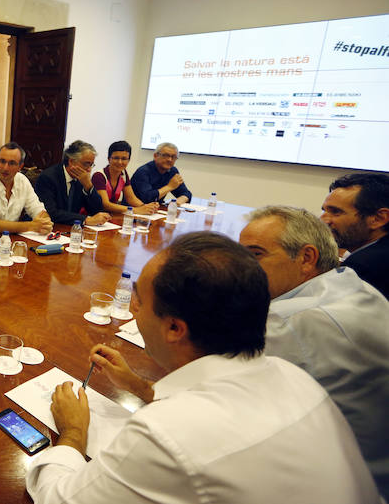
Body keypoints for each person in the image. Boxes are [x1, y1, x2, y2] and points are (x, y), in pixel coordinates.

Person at [27, 231, 379, 504]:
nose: (134, 310)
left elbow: (61, 498)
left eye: (141, 301)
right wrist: (138, 386)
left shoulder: (165, 435)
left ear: (174, 328)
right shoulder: (297, 378)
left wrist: (73, 431)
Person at [239, 206, 389, 497]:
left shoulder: (287, 322)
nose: (240, 266)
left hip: (346, 486)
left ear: (307, 258)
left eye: (254, 255)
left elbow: (226, 404)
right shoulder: (351, 282)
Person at [321, 173, 389, 298]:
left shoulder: (362, 267)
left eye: (335, 212)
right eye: (324, 210)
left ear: (378, 218)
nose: (323, 220)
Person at [0, 142, 52, 235]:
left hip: (11, 239)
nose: (5, 168)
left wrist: (45, 222)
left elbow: (37, 209)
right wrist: (31, 226)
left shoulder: (22, 181)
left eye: (12, 163)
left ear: (20, 166)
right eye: (2, 161)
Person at [34, 141, 112, 226]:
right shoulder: (48, 177)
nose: (89, 169)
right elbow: (51, 212)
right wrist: (86, 220)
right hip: (48, 227)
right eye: (86, 164)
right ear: (71, 161)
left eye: (91, 165)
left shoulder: (82, 179)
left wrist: (88, 186)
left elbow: (97, 211)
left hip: (70, 229)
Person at [89, 141, 158, 215]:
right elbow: (105, 205)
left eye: (124, 159)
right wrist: (135, 210)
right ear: (109, 159)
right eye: (116, 158)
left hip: (110, 216)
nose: (120, 162)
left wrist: (146, 207)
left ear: (129, 160)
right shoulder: (99, 176)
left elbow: (131, 198)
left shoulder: (123, 174)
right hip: (94, 216)